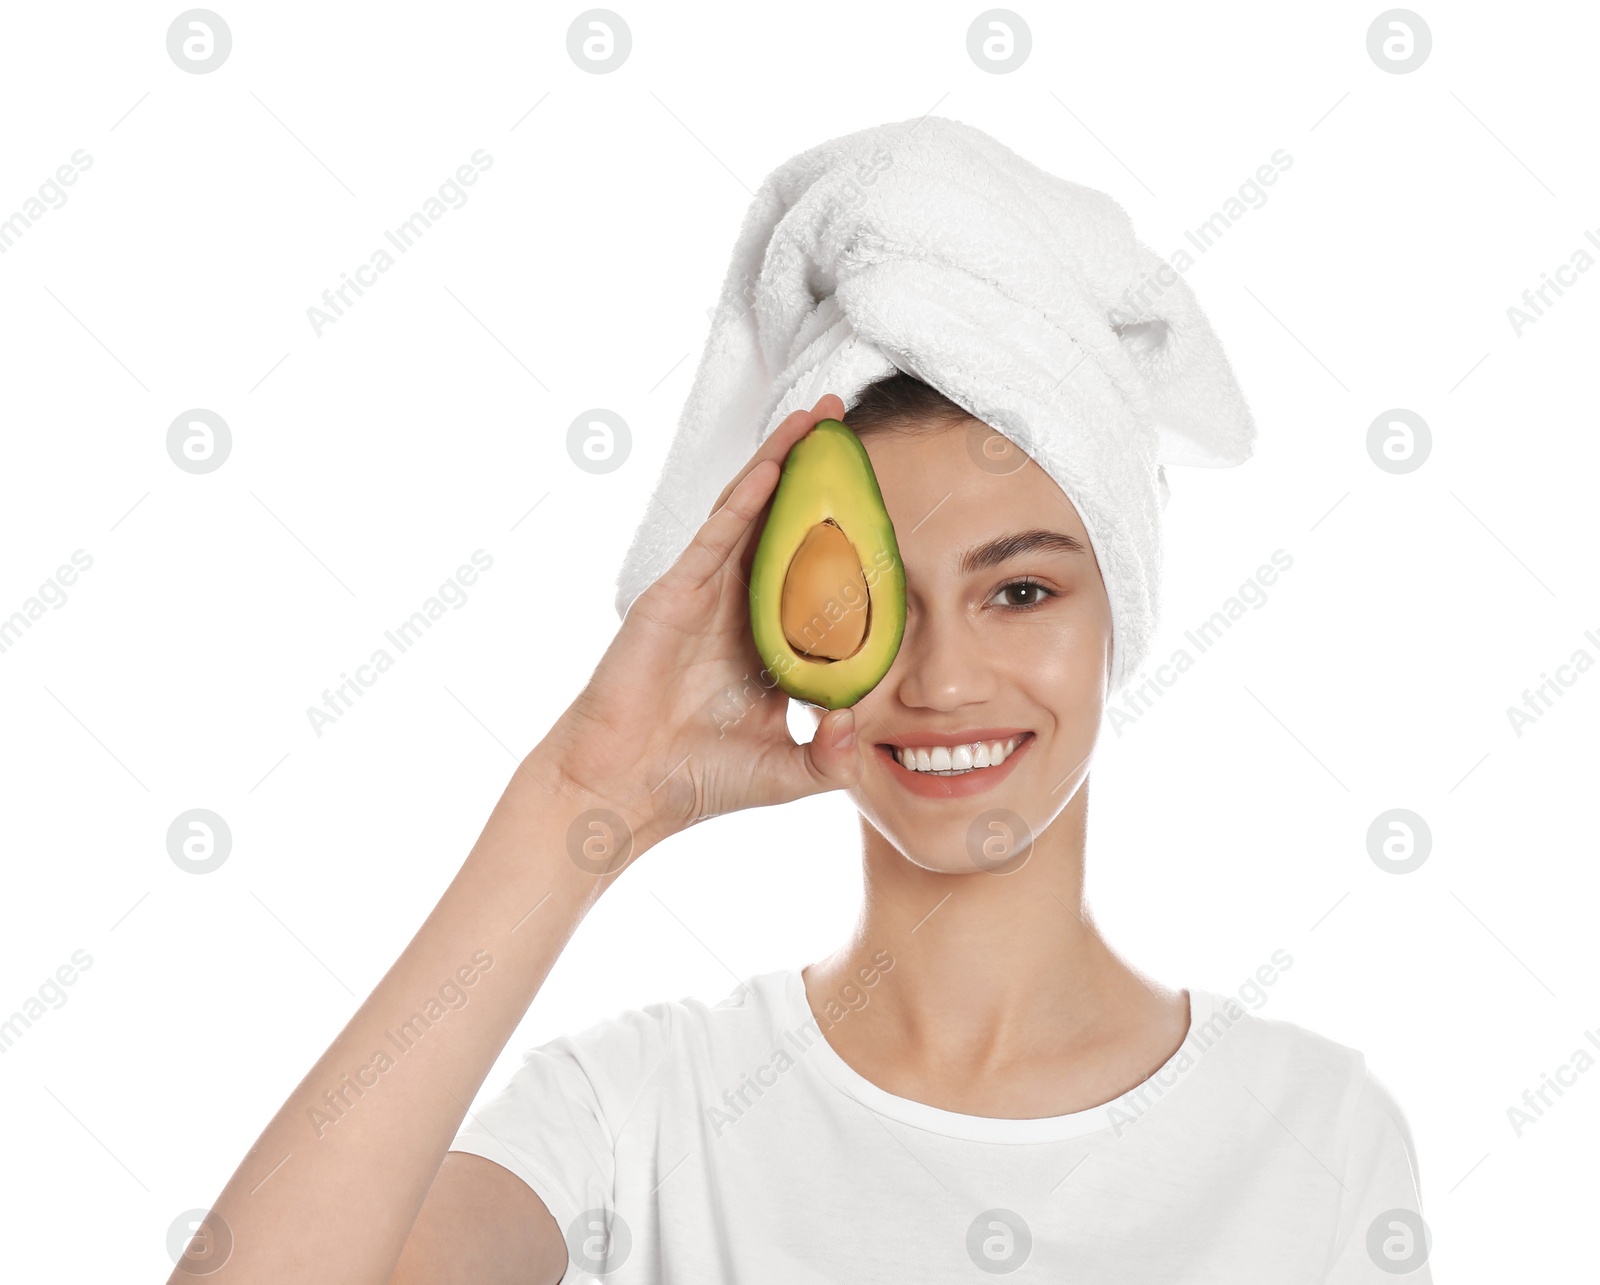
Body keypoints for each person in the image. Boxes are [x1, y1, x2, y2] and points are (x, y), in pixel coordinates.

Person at [179, 373, 1431, 1283]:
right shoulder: (638, 1112)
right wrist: (580, 804)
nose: (942, 679)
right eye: (880, 599)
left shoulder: (1314, 1130)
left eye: (1021, 589)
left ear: (1123, 611)